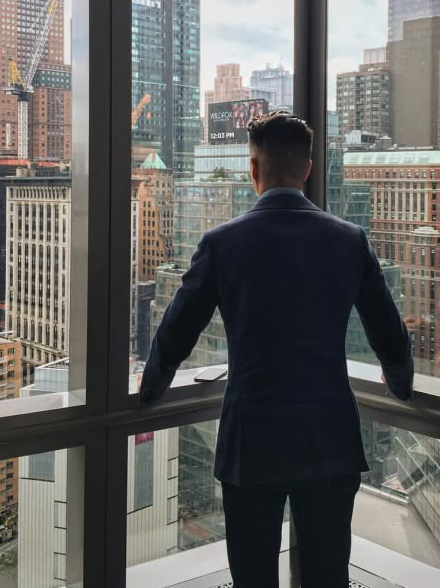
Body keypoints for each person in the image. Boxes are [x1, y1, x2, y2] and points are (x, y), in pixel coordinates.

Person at [140, 111, 413, 588]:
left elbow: (176, 333)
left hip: (253, 442)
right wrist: (401, 382)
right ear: (308, 170)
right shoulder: (350, 241)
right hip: (329, 438)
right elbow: (389, 333)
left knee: (253, 578)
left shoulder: (222, 243)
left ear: (253, 169)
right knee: (328, 576)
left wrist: (151, 388)